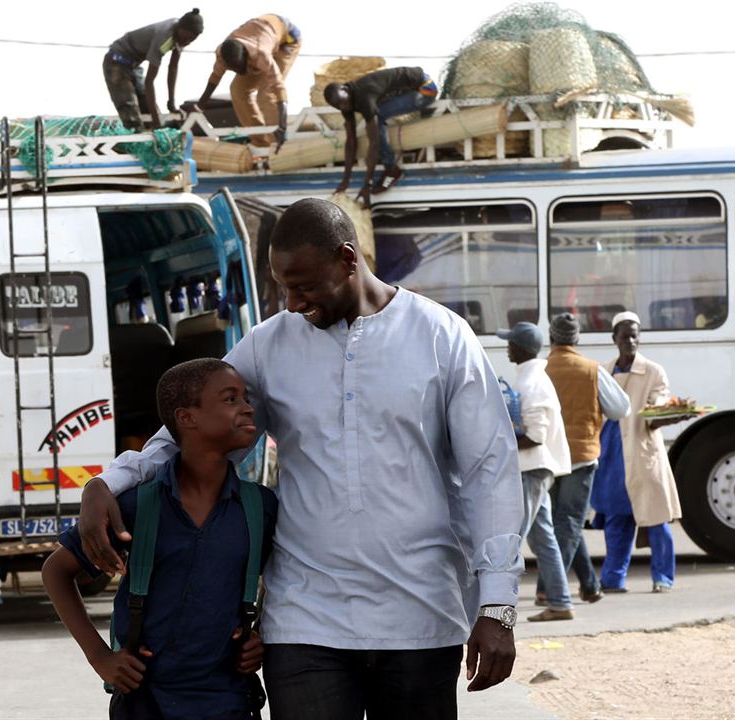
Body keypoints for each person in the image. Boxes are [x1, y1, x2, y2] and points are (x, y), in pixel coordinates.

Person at [78, 198, 525, 719]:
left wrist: (497, 604)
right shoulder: (270, 345)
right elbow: (189, 429)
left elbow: (487, 472)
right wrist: (107, 483)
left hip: (421, 614)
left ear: (348, 259)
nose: (291, 302)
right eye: (283, 287)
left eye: (305, 285)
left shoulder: (442, 337)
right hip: (305, 617)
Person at [43, 358, 278, 719]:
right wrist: (100, 657)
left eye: (246, 397)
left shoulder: (259, 507)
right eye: (230, 399)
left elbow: (289, 579)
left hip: (229, 700)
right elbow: (56, 571)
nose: (248, 407)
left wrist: (259, 633)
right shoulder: (137, 506)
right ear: (187, 418)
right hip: (144, 703)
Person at [539, 313, 631, 604]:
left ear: (552, 338)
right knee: (569, 523)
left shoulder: (540, 370)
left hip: (549, 458)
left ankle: (590, 585)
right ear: (577, 339)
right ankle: (547, 588)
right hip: (581, 457)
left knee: (564, 523)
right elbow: (620, 409)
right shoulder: (592, 370)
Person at [591, 311, 684, 593]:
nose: (630, 341)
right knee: (617, 522)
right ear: (614, 339)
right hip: (611, 454)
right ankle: (612, 579)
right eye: (625, 336)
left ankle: (663, 578)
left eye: (635, 336)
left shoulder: (654, 372)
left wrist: (670, 414)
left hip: (642, 453)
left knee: (655, 519)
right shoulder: (602, 371)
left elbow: (656, 408)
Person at [497, 322, 575, 623]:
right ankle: (560, 602)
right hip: (535, 468)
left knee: (513, 540)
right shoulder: (530, 378)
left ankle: (497, 609)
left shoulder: (532, 383)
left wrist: (503, 441)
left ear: (521, 348)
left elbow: (536, 436)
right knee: (543, 539)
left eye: (510, 343)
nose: (507, 347)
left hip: (532, 468)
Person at [323, 67, 439, 205]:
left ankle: (392, 169)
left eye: (344, 102)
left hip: (425, 90)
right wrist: (345, 181)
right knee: (377, 112)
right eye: (339, 106)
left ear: (346, 90)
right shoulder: (345, 103)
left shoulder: (364, 96)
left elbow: (374, 143)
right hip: (409, 88)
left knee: (378, 115)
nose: (344, 107)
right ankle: (390, 169)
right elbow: (351, 142)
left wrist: (367, 183)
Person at [195, 14, 301, 149]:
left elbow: (278, 87)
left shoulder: (261, 55)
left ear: (245, 56)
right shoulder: (223, 55)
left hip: (287, 40)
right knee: (237, 90)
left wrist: (282, 125)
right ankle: (261, 144)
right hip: (259, 35)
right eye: (233, 69)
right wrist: (200, 105)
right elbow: (215, 78)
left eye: (239, 67)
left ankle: (278, 145)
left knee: (266, 94)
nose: (238, 72)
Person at [103, 10, 205, 130]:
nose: (187, 42)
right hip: (116, 63)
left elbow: (173, 68)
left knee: (147, 106)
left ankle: (152, 132)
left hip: (133, 65)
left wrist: (171, 104)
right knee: (131, 113)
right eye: (186, 38)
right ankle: (138, 138)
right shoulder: (163, 38)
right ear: (180, 29)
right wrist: (157, 122)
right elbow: (149, 81)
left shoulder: (180, 35)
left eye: (191, 40)